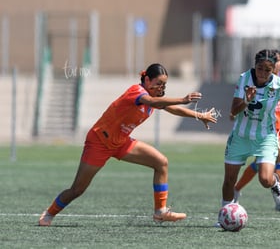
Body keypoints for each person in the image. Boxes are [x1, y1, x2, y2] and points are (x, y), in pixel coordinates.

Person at [39, 63, 218, 226]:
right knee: (77, 189)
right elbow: (153, 102)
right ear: (147, 80)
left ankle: (160, 212)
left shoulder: (155, 97)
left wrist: (199, 115)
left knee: (161, 162)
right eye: (158, 83)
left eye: (164, 85)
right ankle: (48, 214)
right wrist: (183, 98)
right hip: (99, 142)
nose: (161, 88)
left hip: (120, 142)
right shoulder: (137, 91)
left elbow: (169, 107)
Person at [219, 49, 280, 217]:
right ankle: (223, 215)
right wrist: (247, 100)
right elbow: (234, 110)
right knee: (229, 180)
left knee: (265, 179)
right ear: (255, 65)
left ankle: (275, 184)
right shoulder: (244, 78)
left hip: (265, 138)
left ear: (273, 69)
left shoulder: (279, 84)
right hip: (240, 137)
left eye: (267, 70)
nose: (262, 73)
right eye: (260, 68)